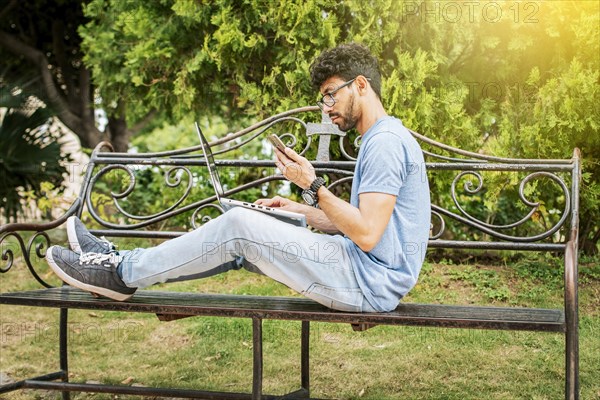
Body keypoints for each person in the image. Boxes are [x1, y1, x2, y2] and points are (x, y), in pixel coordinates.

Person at [46, 43, 431, 313]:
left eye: (330, 95)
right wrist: (300, 211)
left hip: (369, 283)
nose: (326, 107)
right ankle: (118, 262)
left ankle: (119, 273)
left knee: (238, 227)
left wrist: (311, 185)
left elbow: (365, 234)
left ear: (360, 85)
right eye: (323, 99)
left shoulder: (384, 143)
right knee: (244, 233)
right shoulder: (382, 137)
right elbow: (370, 228)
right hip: (362, 270)